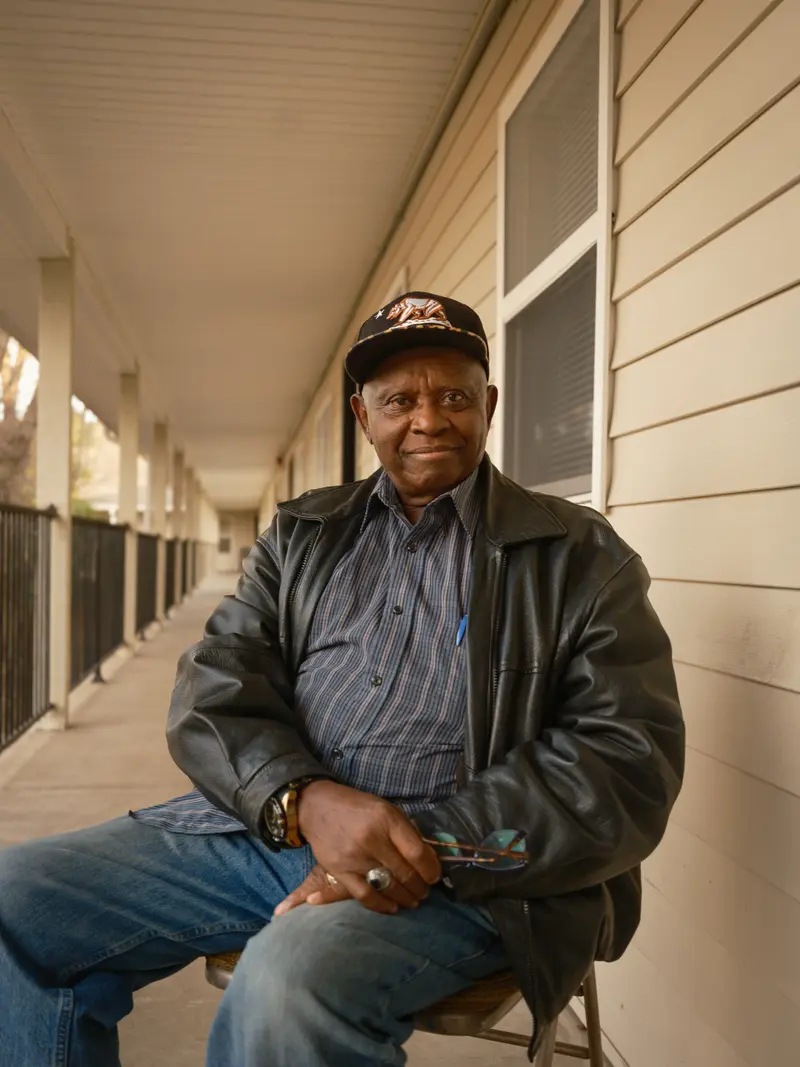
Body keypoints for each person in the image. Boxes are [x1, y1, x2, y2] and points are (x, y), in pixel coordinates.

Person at [0, 291, 685, 1066]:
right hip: (269, 830)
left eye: (453, 395)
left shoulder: (579, 555)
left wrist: (414, 842)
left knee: (287, 983)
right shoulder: (304, 534)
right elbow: (213, 684)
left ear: (488, 404)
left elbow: (624, 764)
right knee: (16, 898)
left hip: (464, 872)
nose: (428, 419)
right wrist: (303, 799)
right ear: (364, 416)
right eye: (400, 400)